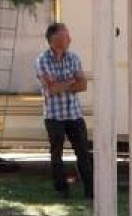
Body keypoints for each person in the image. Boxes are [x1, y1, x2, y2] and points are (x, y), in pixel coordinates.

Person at [35, 23, 93, 199]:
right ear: (55, 39)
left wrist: (60, 83)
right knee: (57, 153)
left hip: (74, 114)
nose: (70, 39)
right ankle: (62, 190)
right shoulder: (42, 60)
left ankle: (90, 190)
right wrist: (70, 81)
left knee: (83, 151)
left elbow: (83, 85)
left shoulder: (73, 58)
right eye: (66, 36)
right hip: (54, 115)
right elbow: (50, 90)